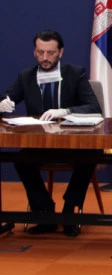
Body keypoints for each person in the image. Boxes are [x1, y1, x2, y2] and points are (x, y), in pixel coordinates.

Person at [0, 30, 102, 237]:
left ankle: (69, 211)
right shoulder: (26, 76)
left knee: (91, 155)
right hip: (40, 144)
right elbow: (7, 97)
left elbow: (93, 107)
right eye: (40, 52)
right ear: (34, 52)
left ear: (60, 52)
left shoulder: (75, 73)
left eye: (50, 53)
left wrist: (66, 111)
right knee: (21, 161)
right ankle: (45, 213)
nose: (45, 58)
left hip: (72, 144)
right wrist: (2, 104)